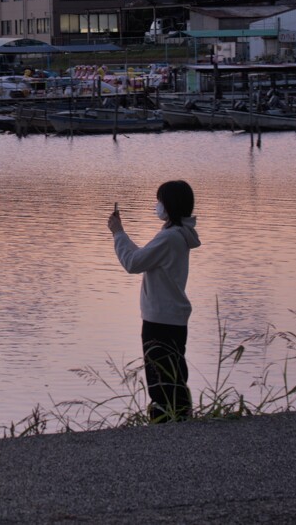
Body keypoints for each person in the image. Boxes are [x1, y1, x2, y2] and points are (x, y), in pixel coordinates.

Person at [108, 180, 200, 422]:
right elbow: (142, 258)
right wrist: (121, 234)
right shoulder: (177, 235)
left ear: (169, 205)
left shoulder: (170, 237)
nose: (157, 205)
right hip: (171, 318)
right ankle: (180, 420)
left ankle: (166, 426)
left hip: (160, 319)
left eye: (160, 200)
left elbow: (133, 263)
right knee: (174, 375)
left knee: (161, 381)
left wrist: (118, 233)